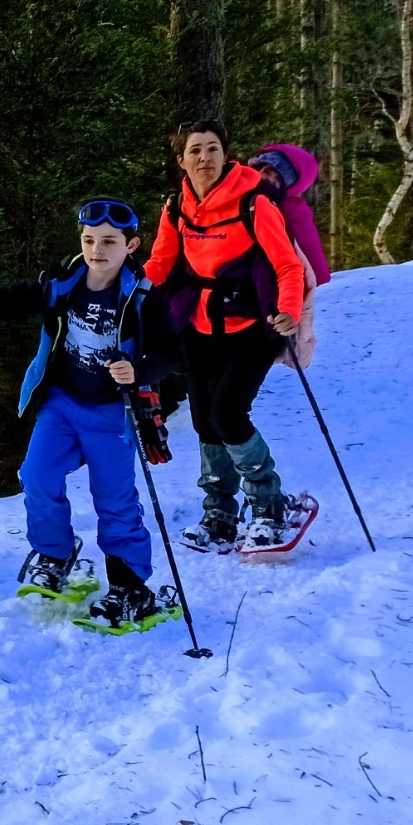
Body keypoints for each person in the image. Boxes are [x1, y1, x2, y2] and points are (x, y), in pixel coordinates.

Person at [0, 200, 180, 631]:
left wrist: (140, 370)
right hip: (62, 403)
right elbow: (15, 299)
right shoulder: (64, 280)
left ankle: (131, 586)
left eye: (109, 242)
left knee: (115, 500)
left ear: (131, 245)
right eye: (90, 240)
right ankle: (55, 554)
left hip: (113, 413)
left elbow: (174, 352)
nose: (97, 249)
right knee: (37, 476)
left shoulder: (144, 297)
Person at [143, 121, 306, 552]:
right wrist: (118, 291)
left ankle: (270, 505)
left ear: (225, 155)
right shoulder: (176, 207)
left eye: (212, 148)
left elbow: (287, 266)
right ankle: (220, 512)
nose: (204, 158)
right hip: (199, 327)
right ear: (182, 161)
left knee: (229, 414)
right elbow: (160, 264)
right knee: (203, 421)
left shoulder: (254, 203)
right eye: (195, 150)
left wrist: (289, 311)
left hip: (255, 326)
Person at [250, 143, 331, 369]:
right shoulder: (231, 190)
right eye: (266, 169)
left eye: (278, 177)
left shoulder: (292, 212)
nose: (268, 177)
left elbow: (311, 272)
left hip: (263, 309)